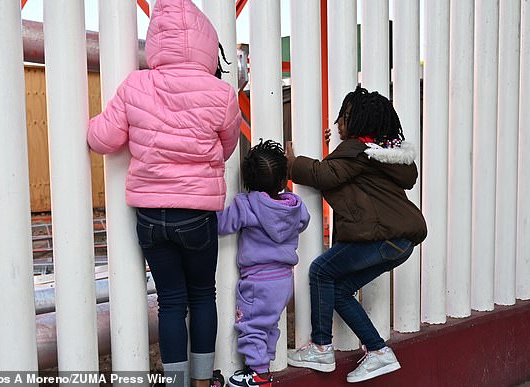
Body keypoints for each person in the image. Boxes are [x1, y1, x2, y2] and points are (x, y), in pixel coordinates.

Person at [87, 0, 242, 386]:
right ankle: (203, 380)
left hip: (151, 215)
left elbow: (102, 139)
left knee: (171, 302)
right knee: (203, 296)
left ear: (156, 41)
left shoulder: (135, 85)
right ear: (207, 43)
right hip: (197, 214)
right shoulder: (221, 93)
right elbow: (226, 147)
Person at [285, 86, 427, 383]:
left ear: (358, 123)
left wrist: (292, 163)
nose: (338, 123)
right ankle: (378, 352)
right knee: (338, 289)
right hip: (399, 241)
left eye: (344, 117)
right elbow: (342, 171)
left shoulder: (356, 152)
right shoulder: (382, 153)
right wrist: (331, 149)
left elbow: (327, 174)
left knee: (321, 270)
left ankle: (321, 347)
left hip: (383, 237)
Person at [216, 140, 310, 387]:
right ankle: (263, 367)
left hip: (258, 281)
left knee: (252, 326)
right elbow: (305, 220)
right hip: (284, 280)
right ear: (283, 180)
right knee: (268, 325)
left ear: (247, 181)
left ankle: (257, 374)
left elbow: (221, 225)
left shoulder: (245, 205)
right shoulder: (294, 206)